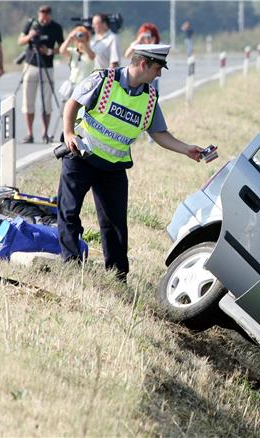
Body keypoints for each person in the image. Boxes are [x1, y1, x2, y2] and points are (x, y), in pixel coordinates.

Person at [58, 44, 205, 282]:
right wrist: (68, 133)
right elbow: (73, 103)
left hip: (113, 167)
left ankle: (117, 277)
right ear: (143, 64)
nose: (159, 74)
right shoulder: (103, 80)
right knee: (69, 211)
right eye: (158, 68)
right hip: (82, 156)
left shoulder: (149, 99)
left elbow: (159, 133)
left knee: (115, 224)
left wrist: (186, 149)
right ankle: (71, 265)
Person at [17, 5, 64, 143]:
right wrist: (30, 36)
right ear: (38, 14)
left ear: (50, 14)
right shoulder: (31, 24)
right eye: (42, 14)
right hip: (30, 64)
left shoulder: (56, 27)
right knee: (28, 100)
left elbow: (62, 47)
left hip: (47, 66)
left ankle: (45, 133)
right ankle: (29, 133)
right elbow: (20, 41)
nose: (44, 17)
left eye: (47, 14)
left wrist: (49, 51)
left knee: (46, 101)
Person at [58, 26, 95, 99]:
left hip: (86, 87)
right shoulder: (73, 51)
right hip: (73, 86)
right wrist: (69, 38)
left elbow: (92, 56)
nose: (79, 37)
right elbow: (62, 51)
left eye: (82, 35)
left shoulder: (90, 51)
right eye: (78, 35)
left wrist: (83, 43)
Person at [124, 23, 161, 90]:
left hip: (151, 75)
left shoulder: (157, 46)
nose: (146, 39)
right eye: (144, 36)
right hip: (139, 75)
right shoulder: (138, 45)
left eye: (149, 36)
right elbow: (127, 54)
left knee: (152, 93)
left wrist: (152, 44)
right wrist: (138, 40)